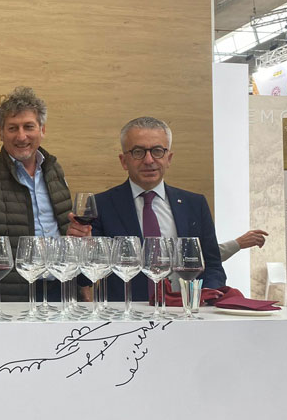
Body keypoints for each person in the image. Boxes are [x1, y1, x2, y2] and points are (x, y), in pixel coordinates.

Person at [67, 116, 226, 301]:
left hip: (184, 311)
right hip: (125, 314)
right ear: (123, 161)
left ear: (169, 158)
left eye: (157, 151)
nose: (149, 160)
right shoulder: (101, 205)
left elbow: (213, 266)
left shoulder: (194, 205)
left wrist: (206, 296)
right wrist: (81, 249)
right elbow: (84, 279)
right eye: (138, 152)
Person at [0, 86, 73, 302]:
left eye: (28, 127)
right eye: (12, 128)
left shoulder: (54, 169)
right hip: (11, 294)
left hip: (60, 286)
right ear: (1, 133)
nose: (21, 136)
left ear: (42, 130)